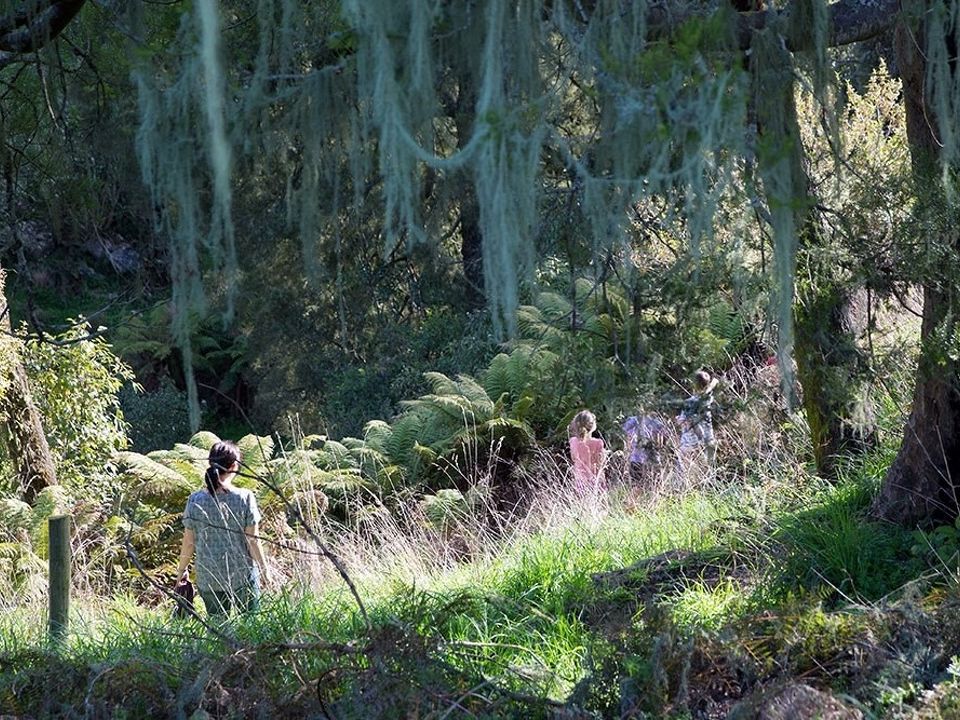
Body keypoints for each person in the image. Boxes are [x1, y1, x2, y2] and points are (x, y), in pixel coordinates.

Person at [175, 440, 269, 617]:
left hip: (208, 577)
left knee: (218, 627)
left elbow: (188, 543)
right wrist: (265, 572)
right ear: (234, 466)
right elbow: (253, 540)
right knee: (251, 626)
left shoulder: (195, 500)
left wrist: (181, 571)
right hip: (243, 576)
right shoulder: (245, 498)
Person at [676, 370, 720, 464]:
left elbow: (683, 422)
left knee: (684, 473)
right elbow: (710, 387)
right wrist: (712, 383)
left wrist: (678, 420)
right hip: (708, 441)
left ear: (693, 385)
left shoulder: (689, 402)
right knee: (708, 471)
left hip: (690, 445)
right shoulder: (708, 399)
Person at [568, 409, 606, 496]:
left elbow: (573, 458)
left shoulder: (573, 441)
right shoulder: (598, 443)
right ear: (592, 426)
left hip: (580, 480)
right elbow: (599, 462)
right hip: (595, 479)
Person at [622, 414, 668, 479]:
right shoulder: (657, 423)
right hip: (652, 459)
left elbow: (626, 436)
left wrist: (628, 450)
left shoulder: (632, 421)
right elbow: (662, 440)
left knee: (636, 484)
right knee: (652, 483)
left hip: (636, 458)